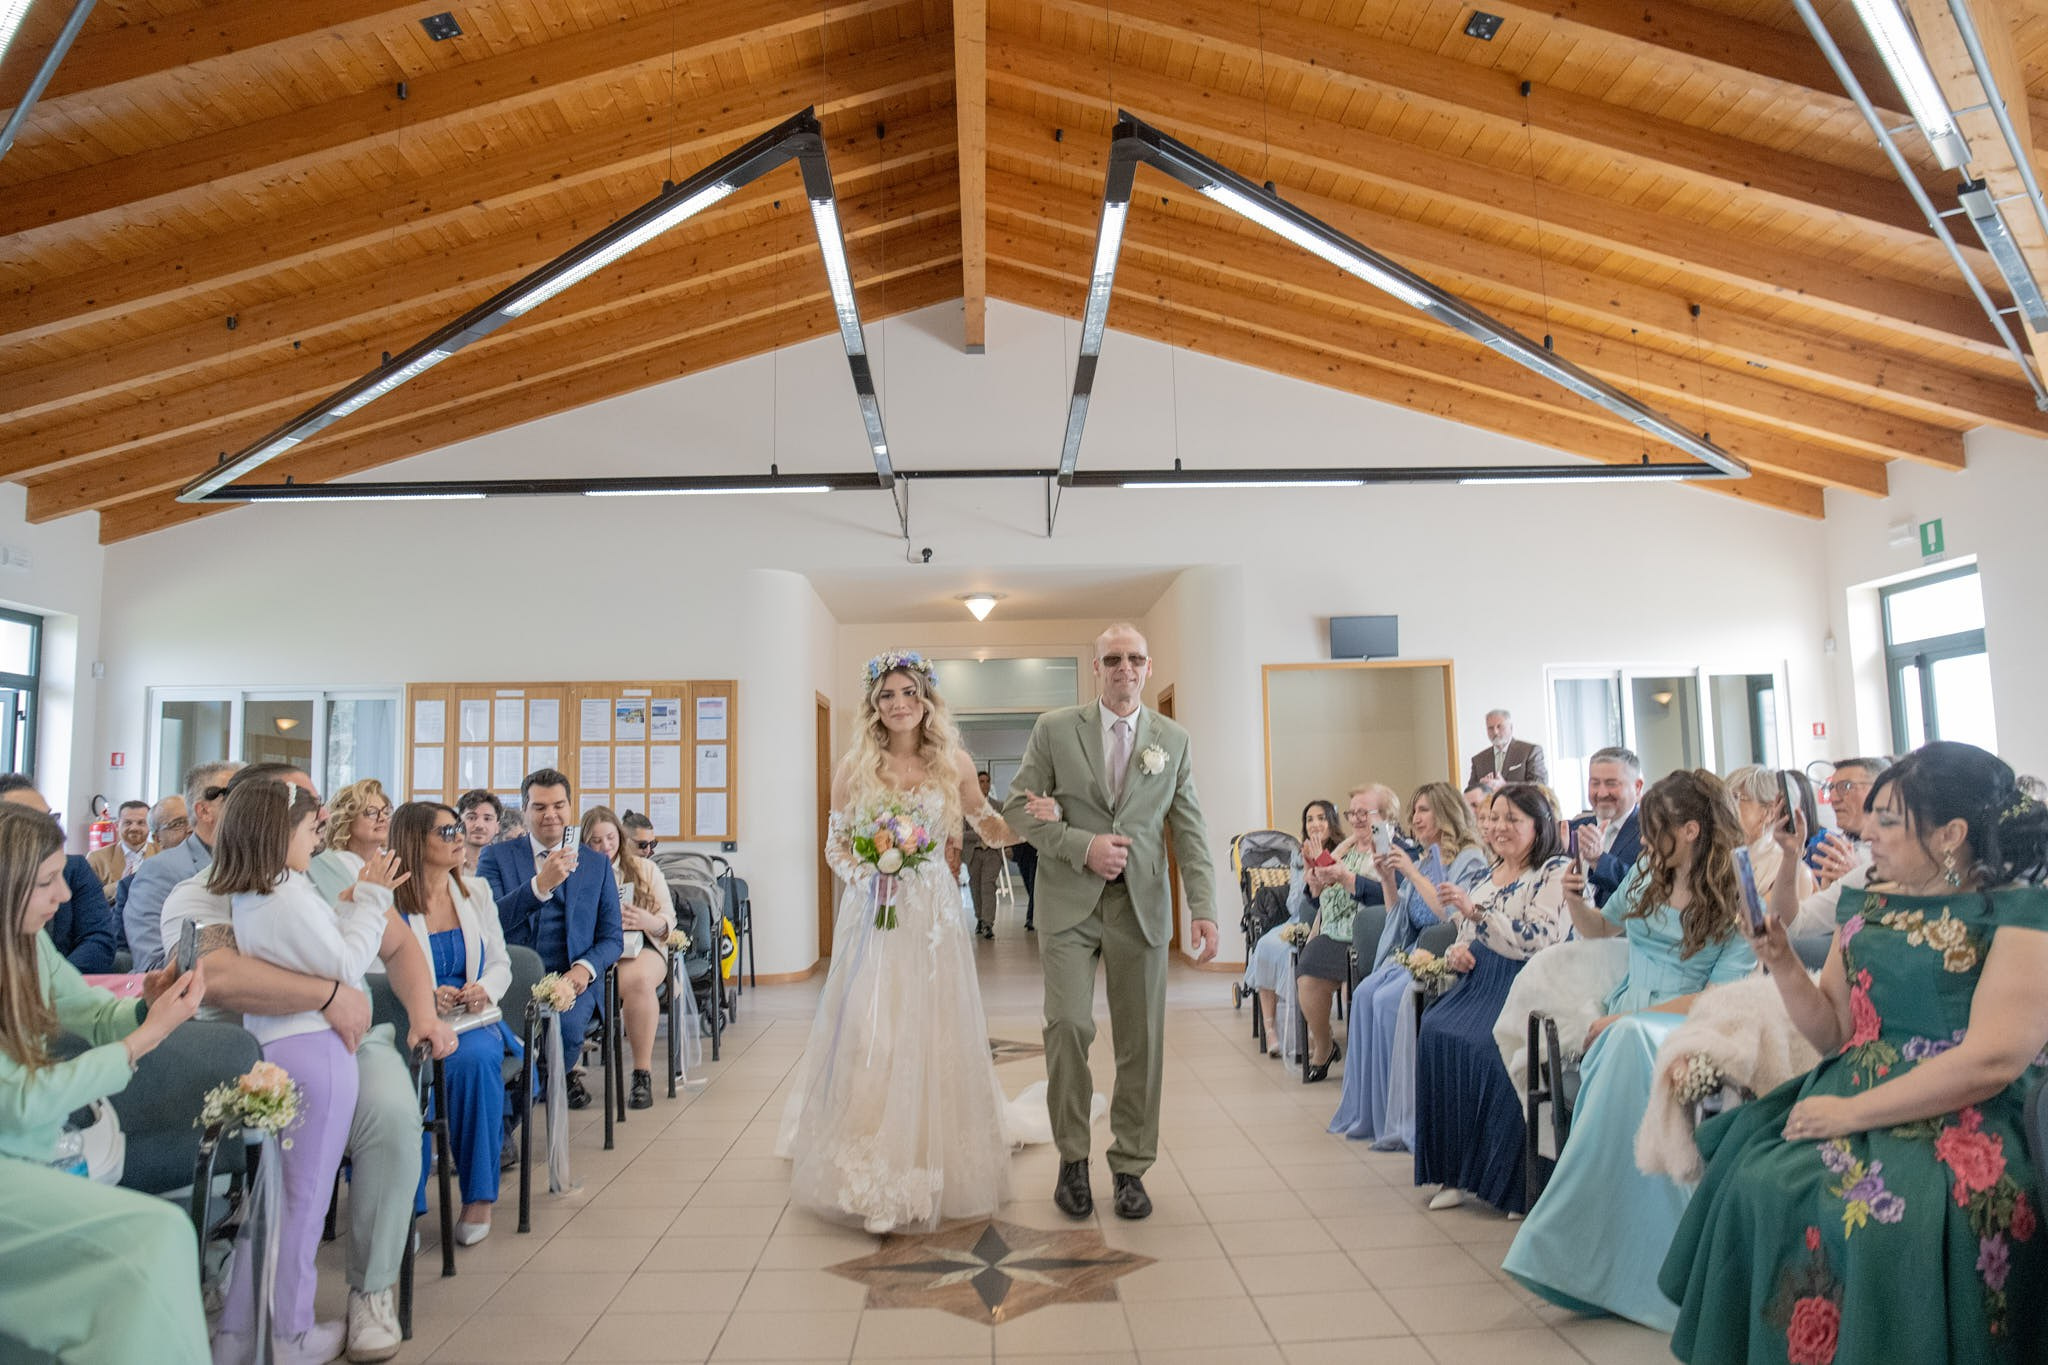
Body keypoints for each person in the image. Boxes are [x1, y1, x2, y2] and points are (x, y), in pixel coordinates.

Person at [1662, 742, 2048, 1361]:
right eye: (1873, 816)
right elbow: (1835, 1033)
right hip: (1850, 1085)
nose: (1868, 832)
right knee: (1755, 1182)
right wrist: (1783, 963)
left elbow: (1994, 1059)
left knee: (1888, 1221)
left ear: (1952, 834)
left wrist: (1852, 1115)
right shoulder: (1867, 902)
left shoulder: (2022, 914)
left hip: (1965, 1108)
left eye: (1889, 820)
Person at [162, 762, 452, 1364]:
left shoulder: (324, 870)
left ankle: (371, 1289)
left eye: (318, 804)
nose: (321, 818)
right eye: (306, 807)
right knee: (297, 1194)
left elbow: (397, 944)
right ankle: (269, 1323)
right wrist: (328, 994)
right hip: (253, 1050)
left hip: (343, 1039)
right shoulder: (204, 889)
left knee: (394, 1114)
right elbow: (218, 974)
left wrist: (422, 1015)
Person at [776, 649, 1028, 1233]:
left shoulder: (953, 763)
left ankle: (926, 1157)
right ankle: (870, 1165)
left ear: (927, 700)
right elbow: (836, 847)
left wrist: (1028, 822)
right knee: (872, 1026)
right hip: (873, 915)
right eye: (887, 695)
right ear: (873, 704)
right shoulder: (853, 768)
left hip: (934, 917)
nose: (898, 705)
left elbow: (987, 825)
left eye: (909, 693)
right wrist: (873, 876)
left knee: (933, 1026)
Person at [1503, 769, 1760, 1328]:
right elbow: (1599, 929)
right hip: (1622, 1016)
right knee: (1618, 1040)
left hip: (1689, 1023)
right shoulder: (1649, 870)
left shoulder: (1737, 891)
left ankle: (1645, 1259)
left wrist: (1631, 1017)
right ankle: (1591, 1253)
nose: (1643, 842)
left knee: (1623, 1039)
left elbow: (1720, 998)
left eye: (1656, 830)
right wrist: (1576, 900)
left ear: (1691, 830)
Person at [1003, 622, 1219, 1222]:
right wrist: (1080, 844)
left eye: (1136, 659)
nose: (1125, 668)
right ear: (1096, 668)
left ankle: (1130, 1166)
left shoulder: (1172, 740)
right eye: (1113, 659)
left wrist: (1203, 907)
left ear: (1148, 668)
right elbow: (1016, 805)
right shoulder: (1055, 730)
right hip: (1069, 904)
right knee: (1069, 1026)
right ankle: (1073, 1159)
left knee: (1141, 1041)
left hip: (1141, 908)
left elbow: (1191, 829)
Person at [0, 802, 211, 1365]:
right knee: (158, 1237)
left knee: (159, 1242)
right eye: (47, 882)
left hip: (26, 1151)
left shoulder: (26, 942)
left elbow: (92, 1014)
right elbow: (22, 1101)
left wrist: (148, 1006)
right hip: (14, 1153)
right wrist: (141, 1042)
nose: (64, 896)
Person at [210, 778, 402, 1365]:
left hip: (277, 1048)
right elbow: (345, 965)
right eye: (308, 828)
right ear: (278, 833)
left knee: (276, 1202)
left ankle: (242, 1334)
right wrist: (372, 899)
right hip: (315, 1053)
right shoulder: (286, 895)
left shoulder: (260, 893)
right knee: (303, 1203)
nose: (317, 835)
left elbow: (317, 952)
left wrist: (346, 907)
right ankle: (288, 1336)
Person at [1412, 783, 1574, 1213]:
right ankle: (1455, 1172)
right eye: (1495, 818)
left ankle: (1515, 1183)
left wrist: (1475, 914)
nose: (1499, 828)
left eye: (1512, 820)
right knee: (1434, 1030)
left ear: (1538, 827)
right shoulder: (1490, 870)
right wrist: (1456, 952)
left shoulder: (1556, 870)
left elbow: (1541, 937)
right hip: (1480, 978)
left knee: (1490, 1046)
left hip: (1526, 982)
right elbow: (1465, 934)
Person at [1329, 781, 1491, 1145]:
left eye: (1424, 810)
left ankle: (1405, 1117)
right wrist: (1389, 879)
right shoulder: (1422, 855)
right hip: (1416, 949)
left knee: (1387, 1001)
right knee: (1367, 992)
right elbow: (1398, 914)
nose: (1415, 818)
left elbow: (1451, 915)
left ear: (1446, 813)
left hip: (1447, 952)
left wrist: (1414, 874)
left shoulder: (1468, 858)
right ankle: (1372, 1112)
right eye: (1414, 810)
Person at [388, 801, 512, 1245]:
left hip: (470, 1019)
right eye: (446, 832)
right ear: (413, 842)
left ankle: (478, 1196)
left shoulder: (475, 892)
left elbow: (501, 961)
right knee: (408, 1076)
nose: (460, 837)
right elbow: (368, 967)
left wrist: (484, 989)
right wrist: (423, 995)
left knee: (473, 1061)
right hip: (404, 1020)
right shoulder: (387, 900)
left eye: (458, 829)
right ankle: (407, 1204)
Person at [477, 769, 621, 1111]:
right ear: (525, 810)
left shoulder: (596, 864)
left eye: (558, 805)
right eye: (540, 807)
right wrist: (539, 887)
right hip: (511, 974)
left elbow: (612, 936)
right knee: (502, 1040)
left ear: (571, 808)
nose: (550, 815)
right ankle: (509, 1121)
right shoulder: (496, 857)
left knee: (565, 1032)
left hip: (571, 978)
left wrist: (584, 970)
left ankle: (515, 1114)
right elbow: (489, 922)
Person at [581, 805, 673, 1110]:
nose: (605, 847)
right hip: (594, 950)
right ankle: (566, 1072)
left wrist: (646, 920)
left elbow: (667, 923)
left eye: (610, 838)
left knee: (639, 982)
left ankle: (641, 1073)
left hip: (642, 946)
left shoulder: (645, 870)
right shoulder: (576, 871)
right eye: (595, 841)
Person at [1245, 797, 1352, 1054]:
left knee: (1288, 956)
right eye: (1309, 819)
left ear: (1331, 822)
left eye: (1321, 818)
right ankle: (1271, 1030)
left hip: (1329, 918)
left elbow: (1338, 898)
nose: (1315, 824)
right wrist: (1306, 870)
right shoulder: (1298, 853)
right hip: (1300, 917)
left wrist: (1321, 863)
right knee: (1266, 946)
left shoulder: (1346, 850)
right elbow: (1296, 902)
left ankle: (1313, 1033)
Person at [1294, 798, 1389, 1081]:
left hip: (1368, 932)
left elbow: (1389, 892)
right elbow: (1316, 903)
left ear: (1382, 816)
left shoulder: (1386, 847)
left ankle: (1363, 1061)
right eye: (1353, 814)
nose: (1357, 819)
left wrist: (1347, 878)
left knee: (1354, 984)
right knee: (1307, 969)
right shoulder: (1342, 850)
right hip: (1333, 930)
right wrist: (1314, 884)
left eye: (1365, 813)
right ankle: (1324, 1044)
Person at [125, 760, 238, 972]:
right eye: (236, 796)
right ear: (204, 811)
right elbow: (153, 966)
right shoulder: (161, 871)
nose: (251, 806)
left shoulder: (258, 864)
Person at [0, 776, 118, 973]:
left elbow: (99, 939)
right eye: (30, 821)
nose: (63, 895)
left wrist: (55, 982)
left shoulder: (74, 869)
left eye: (49, 818)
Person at [1788, 757, 1892, 936]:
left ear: (1880, 790)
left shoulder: (1895, 857)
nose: (1833, 799)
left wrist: (1861, 877)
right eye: (1831, 788)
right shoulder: (1834, 848)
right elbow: (1799, 922)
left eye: (1846, 787)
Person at [1575, 746, 1646, 908]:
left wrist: (1599, 861)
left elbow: (1644, 890)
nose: (1601, 793)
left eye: (1611, 784)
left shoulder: (1651, 832)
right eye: (1595, 783)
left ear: (1637, 787)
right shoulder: (1573, 830)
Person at [308, 779, 394, 907]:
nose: (382, 818)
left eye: (386, 811)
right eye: (372, 812)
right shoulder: (332, 866)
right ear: (346, 820)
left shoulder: (388, 864)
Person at [963, 770, 1007, 940]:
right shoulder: (967, 807)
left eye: (987, 781)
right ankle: (980, 919)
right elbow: (962, 833)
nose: (985, 784)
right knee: (975, 886)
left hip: (992, 853)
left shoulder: (998, 806)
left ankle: (988, 923)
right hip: (974, 852)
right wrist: (981, 834)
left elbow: (1003, 829)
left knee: (988, 885)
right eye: (981, 781)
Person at [87, 799, 153, 900]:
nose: (134, 828)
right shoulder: (96, 859)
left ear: (150, 825)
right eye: (127, 823)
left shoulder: (164, 854)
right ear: (117, 825)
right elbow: (89, 899)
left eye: (141, 823)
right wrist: (122, 884)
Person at [1468, 709, 1549, 789]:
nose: (1495, 732)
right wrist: (1480, 788)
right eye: (1490, 728)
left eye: (1499, 726)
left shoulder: (1530, 751)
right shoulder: (1478, 760)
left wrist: (1505, 786)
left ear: (1511, 727)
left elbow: (1540, 786)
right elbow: (1469, 793)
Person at [456, 789, 502, 874]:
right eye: (471, 818)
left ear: (497, 827)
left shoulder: (505, 865)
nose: (479, 825)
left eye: (487, 819)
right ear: (458, 823)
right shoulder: (447, 863)